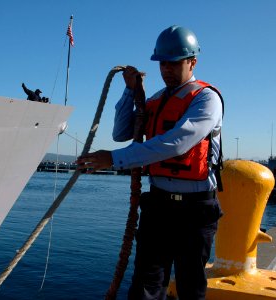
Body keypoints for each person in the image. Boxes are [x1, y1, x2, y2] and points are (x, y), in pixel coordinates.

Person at [77, 25, 224, 300]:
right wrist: (130, 93)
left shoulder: (206, 99)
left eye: (174, 63)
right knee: (145, 284)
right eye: (162, 63)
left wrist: (114, 159)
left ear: (193, 62)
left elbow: (178, 141)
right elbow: (121, 133)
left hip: (195, 210)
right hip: (159, 205)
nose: (166, 69)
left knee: (190, 285)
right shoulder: (155, 100)